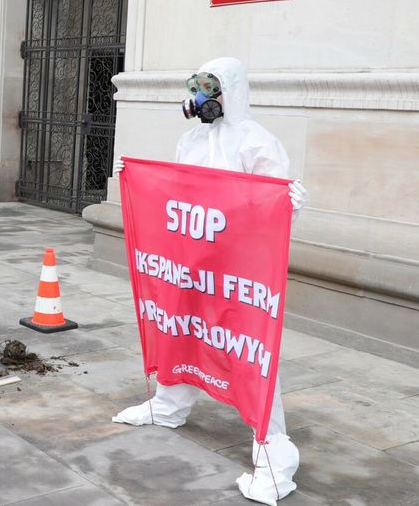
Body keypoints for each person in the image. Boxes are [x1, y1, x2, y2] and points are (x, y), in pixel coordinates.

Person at [111, 57, 308, 505]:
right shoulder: (191, 138)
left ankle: (272, 450)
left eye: (210, 89)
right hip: (193, 262)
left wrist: (289, 200)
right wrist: (138, 182)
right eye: (197, 89)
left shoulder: (257, 141)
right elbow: (180, 193)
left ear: (231, 92)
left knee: (249, 348)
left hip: (237, 272)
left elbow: (272, 202)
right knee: (180, 330)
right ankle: (168, 405)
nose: (201, 99)